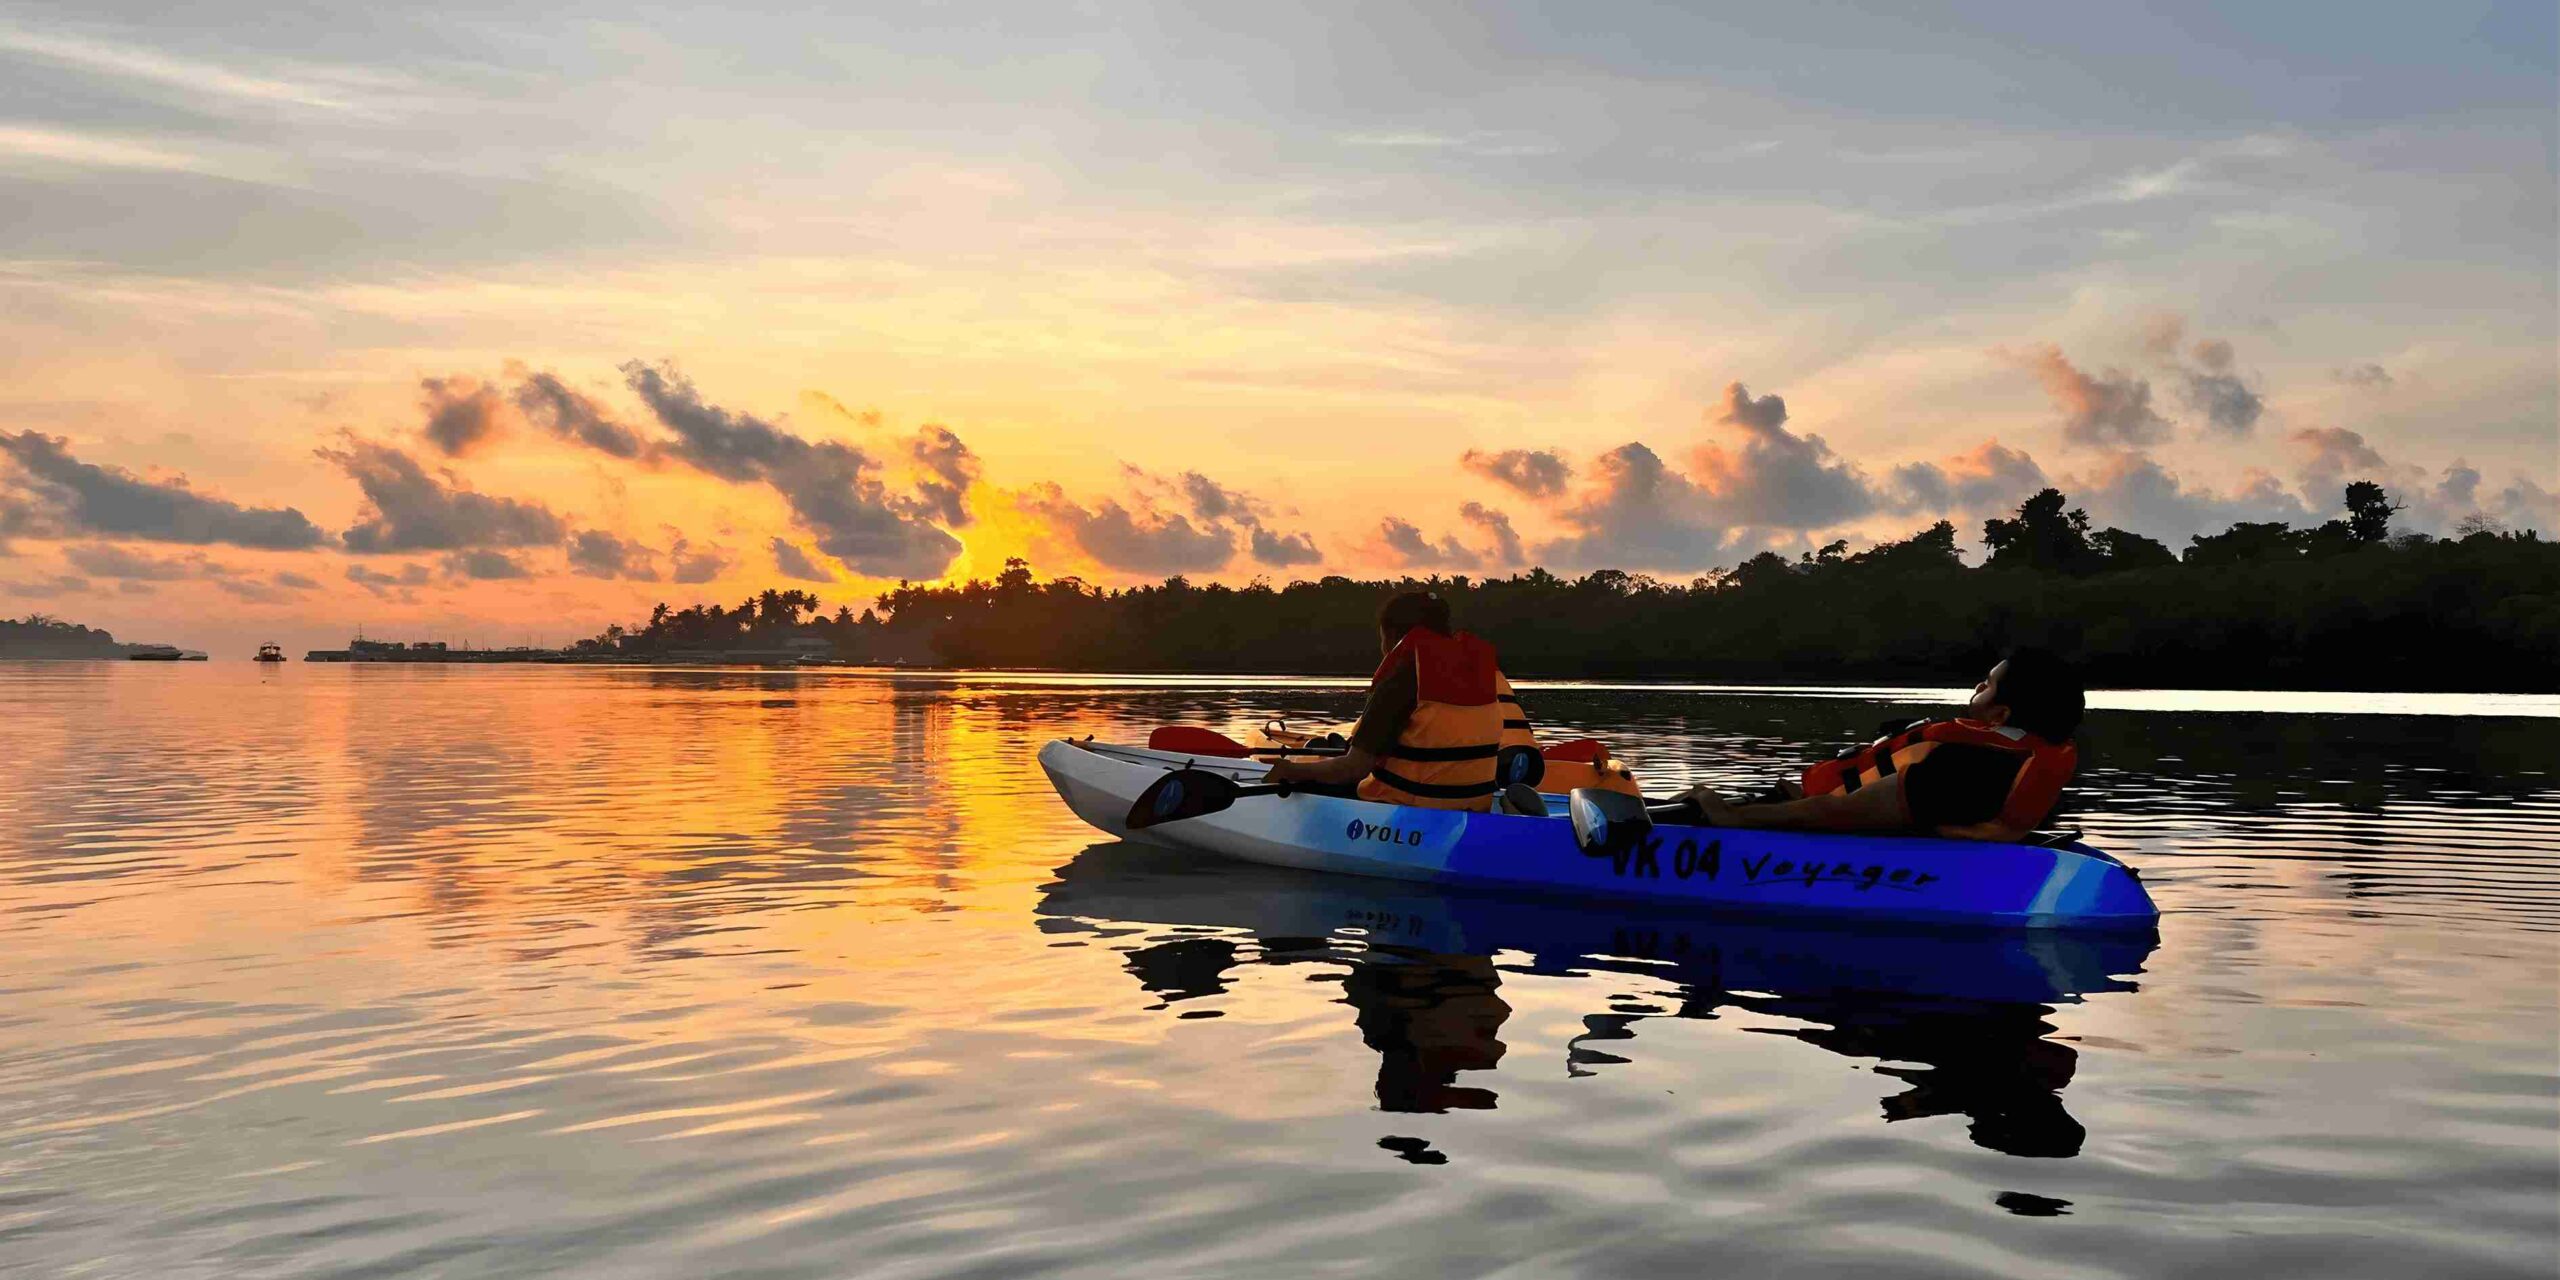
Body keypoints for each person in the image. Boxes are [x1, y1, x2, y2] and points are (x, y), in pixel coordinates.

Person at [1681, 649, 2084, 841]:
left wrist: (1736, 817)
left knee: (1813, 811)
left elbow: (1833, 812)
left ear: (2000, 715)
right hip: (1942, 810)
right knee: (1810, 801)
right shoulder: (2024, 756)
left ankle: (1726, 820)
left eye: (1988, 684)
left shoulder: (1968, 765)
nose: (1978, 686)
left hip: (1928, 802)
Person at [1260, 591, 1506, 811]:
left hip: (1406, 813)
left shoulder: (1402, 679)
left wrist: (1291, 770)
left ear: (1391, 635)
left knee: (1302, 784)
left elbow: (1352, 769)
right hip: (1471, 808)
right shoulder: (1480, 675)